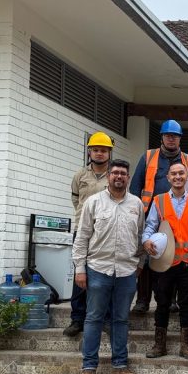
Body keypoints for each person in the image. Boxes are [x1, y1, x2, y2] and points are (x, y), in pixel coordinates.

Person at [71, 159, 145, 374]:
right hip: (98, 269)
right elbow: (82, 237)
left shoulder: (137, 204)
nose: (119, 177)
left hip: (126, 271)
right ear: (109, 177)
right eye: (115, 173)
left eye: (123, 173)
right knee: (93, 318)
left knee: (121, 320)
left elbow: (141, 237)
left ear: (128, 177)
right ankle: (88, 368)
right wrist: (80, 269)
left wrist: (140, 265)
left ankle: (119, 366)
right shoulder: (93, 202)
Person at [130, 119, 188, 313]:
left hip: (177, 215)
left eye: (175, 136)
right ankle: (142, 300)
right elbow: (135, 187)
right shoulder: (148, 157)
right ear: (162, 137)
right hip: (150, 212)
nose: (171, 139)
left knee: (173, 254)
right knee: (146, 255)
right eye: (168, 136)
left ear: (180, 138)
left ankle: (171, 300)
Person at [142, 161, 188, 360]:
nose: (177, 177)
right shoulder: (158, 201)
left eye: (181, 174)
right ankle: (159, 344)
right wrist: (146, 240)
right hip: (163, 262)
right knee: (162, 302)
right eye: (173, 174)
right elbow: (150, 226)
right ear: (168, 178)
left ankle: (186, 345)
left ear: (186, 177)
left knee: (187, 304)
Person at [65, 131, 113, 337]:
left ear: (109, 153)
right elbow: (76, 200)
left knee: (106, 275)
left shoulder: (114, 175)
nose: (99, 154)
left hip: (107, 233)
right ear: (90, 152)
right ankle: (77, 319)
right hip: (83, 231)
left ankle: (106, 318)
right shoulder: (80, 176)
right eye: (96, 150)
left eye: (103, 150)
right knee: (80, 274)